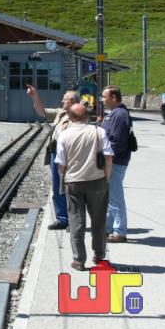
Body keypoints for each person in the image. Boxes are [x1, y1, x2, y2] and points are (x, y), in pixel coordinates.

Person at [55, 103, 113, 270]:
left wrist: (63, 178)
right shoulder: (98, 132)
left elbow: (62, 164)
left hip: (74, 183)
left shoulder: (64, 136)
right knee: (99, 220)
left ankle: (79, 260)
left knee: (76, 222)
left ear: (71, 117)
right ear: (87, 116)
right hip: (97, 181)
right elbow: (108, 157)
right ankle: (99, 254)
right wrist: (106, 178)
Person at [26, 85, 80, 230]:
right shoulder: (61, 113)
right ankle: (62, 218)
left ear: (74, 102)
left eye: (66, 100)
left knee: (70, 188)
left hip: (69, 155)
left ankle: (73, 221)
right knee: (57, 188)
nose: (63, 101)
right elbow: (42, 111)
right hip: (55, 153)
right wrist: (34, 96)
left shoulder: (78, 116)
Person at [101, 85, 132, 243]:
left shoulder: (119, 115)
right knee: (110, 197)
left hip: (115, 161)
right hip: (112, 161)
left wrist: (105, 157)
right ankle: (108, 229)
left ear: (114, 97)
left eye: (104, 97)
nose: (102, 100)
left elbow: (117, 142)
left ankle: (120, 232)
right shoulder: (114, 114)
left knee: (115, 197)